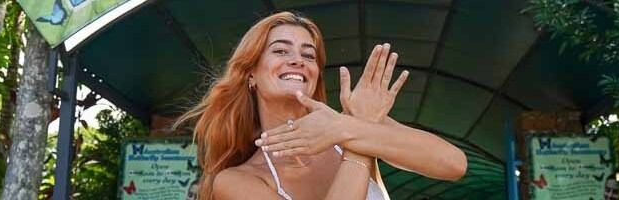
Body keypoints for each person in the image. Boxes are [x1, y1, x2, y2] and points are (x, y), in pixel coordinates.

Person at [175, 11, 467, 200]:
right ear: (250, 74)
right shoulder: (236, 182)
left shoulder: (350, 124)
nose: (297, 60)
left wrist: (347, 127)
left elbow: (454, 164)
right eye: (280, 50)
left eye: (309, 55)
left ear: (315, 75)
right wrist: (355, 142)